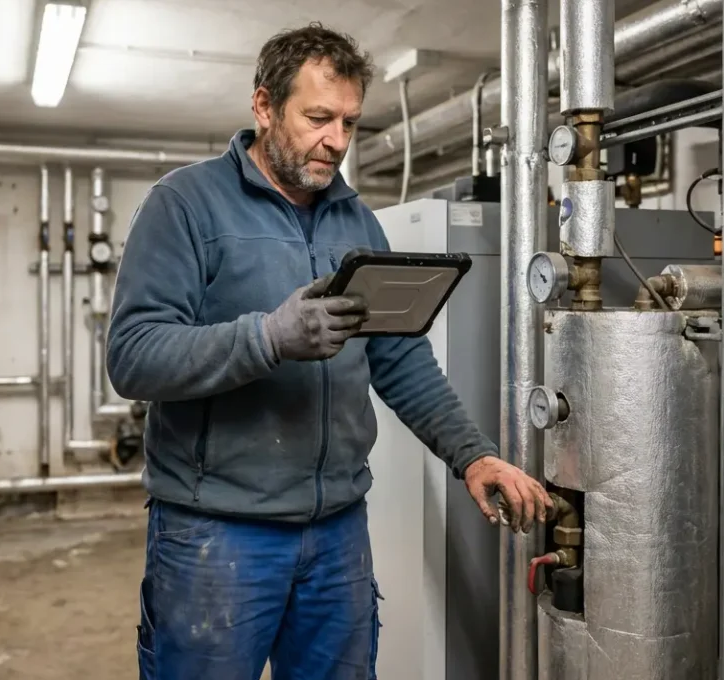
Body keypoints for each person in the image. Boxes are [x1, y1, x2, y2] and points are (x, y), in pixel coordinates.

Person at [107, 22, 552, 680]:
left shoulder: (355, 220)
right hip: (218, 533)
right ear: (264, 105)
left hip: (336, 532)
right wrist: (269, 338)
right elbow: (134, 356)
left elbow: (398, 358)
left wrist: (472, 455)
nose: (336, 141)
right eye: (318, 117)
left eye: (349, 122)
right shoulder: (185, 206)